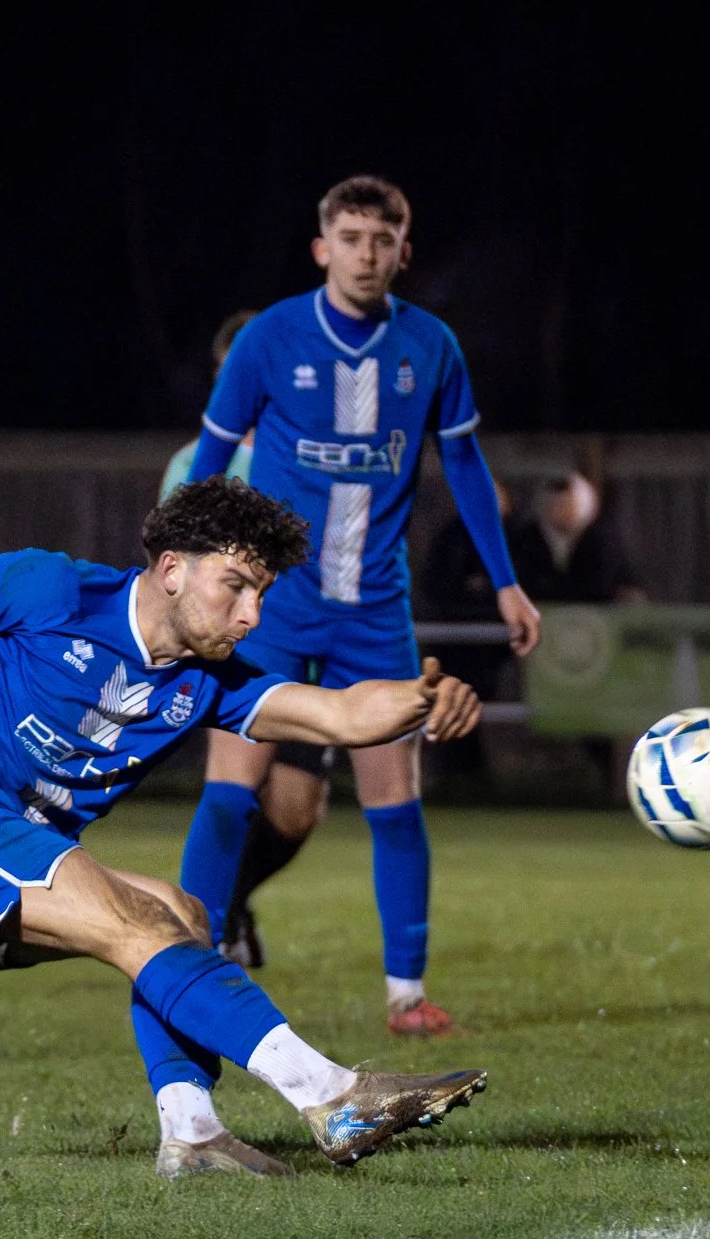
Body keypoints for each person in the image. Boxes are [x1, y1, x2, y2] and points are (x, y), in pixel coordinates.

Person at [0, 476, 490, 1179]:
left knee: (181, 912)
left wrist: (424, 696)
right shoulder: (53, 589)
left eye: (261, 593)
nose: (251, 614)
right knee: (135, 921)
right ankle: (332, 1094)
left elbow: (343, 715)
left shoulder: (207, 682)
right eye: (235, 586)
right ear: (172, 569)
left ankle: (192, 1131)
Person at [180, 175, 541, 1036]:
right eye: (350, 238)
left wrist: (506, 579)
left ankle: (406, 996)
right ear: (322, 248)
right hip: (269, 609)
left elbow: (465, 469)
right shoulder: (269, 338)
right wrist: (187, 564)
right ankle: (182, 963)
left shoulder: (430, 346)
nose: (366, 255)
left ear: (403, 251)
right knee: (233, 788)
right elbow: (212, 452)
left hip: (375, 611)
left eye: (382, 241)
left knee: (394, 798)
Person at [160, 308, 327, 970]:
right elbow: (173, 563)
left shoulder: (311, 452)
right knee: (230, 793)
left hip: (306, 645)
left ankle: (230, 902)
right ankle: (201, 935)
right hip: (237, 651)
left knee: (294, 811)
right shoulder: (196, 460)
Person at [509, 471, 645, 604]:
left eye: (568, 504)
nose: (560, 511)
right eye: (555, 504)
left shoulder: (602, 538)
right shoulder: (529, 539)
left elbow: (603, 585)